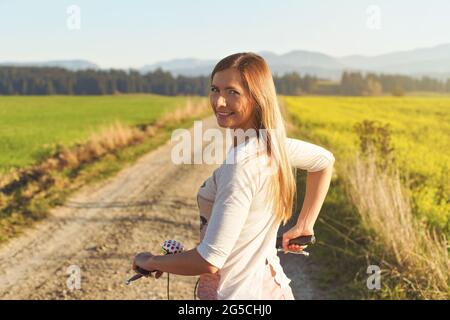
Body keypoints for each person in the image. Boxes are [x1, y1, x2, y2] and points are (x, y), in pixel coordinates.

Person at [132, 52, 335, 300]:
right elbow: (324, 161)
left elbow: (209, 260)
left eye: (232, 92)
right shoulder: (272, 145)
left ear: (257, 98)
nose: (219, 102)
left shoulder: (241, 165)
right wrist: (305, 224)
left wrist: (151, 261)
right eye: (215, 89)